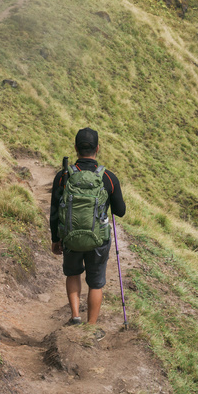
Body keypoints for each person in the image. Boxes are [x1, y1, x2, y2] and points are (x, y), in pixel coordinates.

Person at [50, 127, 126, 325]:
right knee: (96, 282)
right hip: (98, 240)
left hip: (70, 238)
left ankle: (75, 317)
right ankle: (91, 326)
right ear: (97, 148)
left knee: (73, 273)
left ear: (75, 148)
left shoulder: (63, 176)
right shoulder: (108, 177)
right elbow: (120, 211)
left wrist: (55, 240)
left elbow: (55, 211)